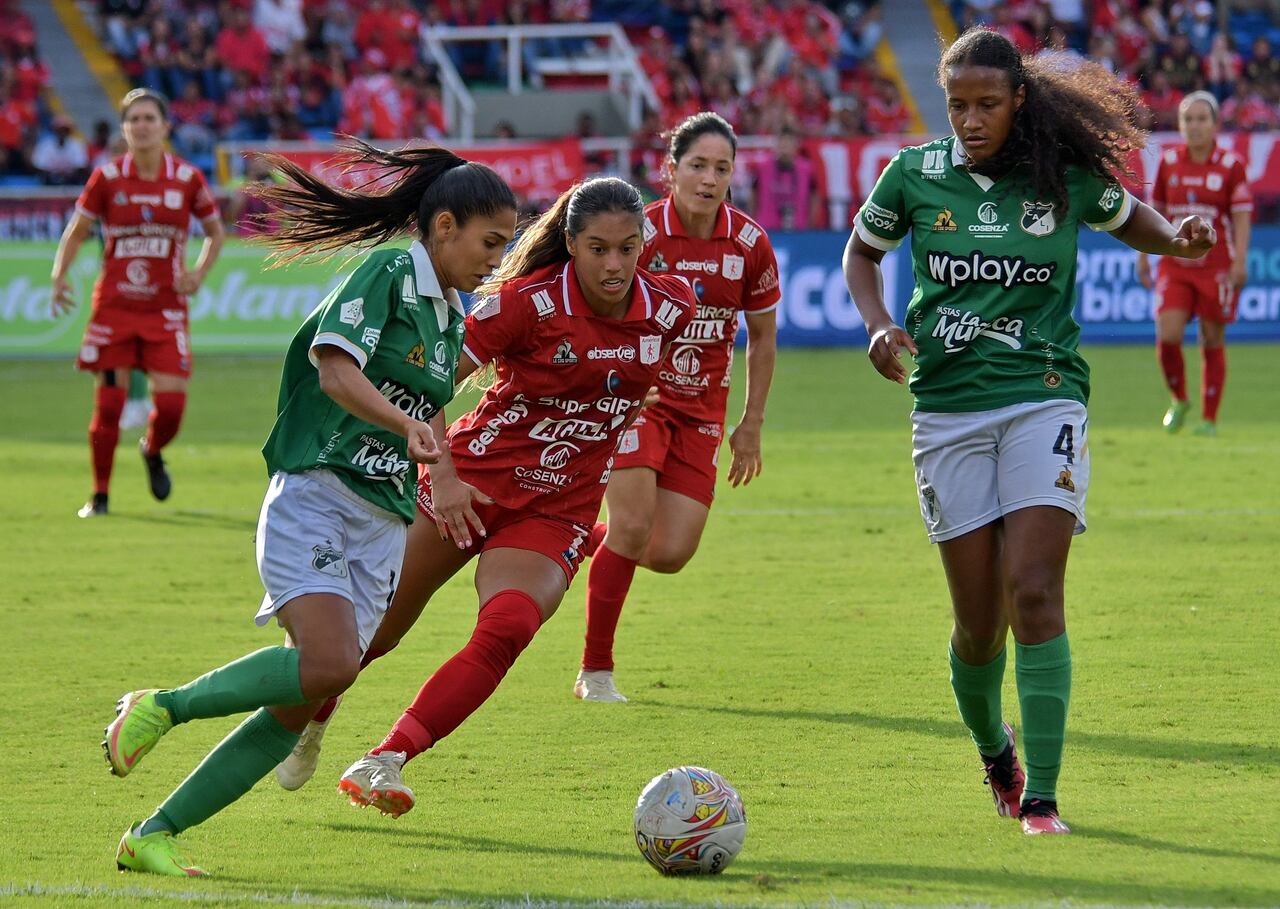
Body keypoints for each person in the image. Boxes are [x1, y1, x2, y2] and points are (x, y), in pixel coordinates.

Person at [99, 140, 519, 876]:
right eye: (491, 242)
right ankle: (160, 705)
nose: (496, 257)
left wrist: (443, 471)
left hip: (383, 518)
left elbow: (427, 413)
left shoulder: (453, 314)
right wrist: (405, 427)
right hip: (319, 492)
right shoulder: (391, 271)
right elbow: (334, 369)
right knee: (327, 661)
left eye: (507, 245)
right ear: (444, 225)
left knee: (319, 684)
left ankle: (153, 835)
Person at [843, 29, 1214, 836]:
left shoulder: (1063, 176)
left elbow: (1135, 220)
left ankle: (1042, 797)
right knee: (979, 626)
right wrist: (876, 326)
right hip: (945, 409)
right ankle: (993, 747)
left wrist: (1177, 234)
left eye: (986, 104)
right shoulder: (913, 174)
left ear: (1019, 100)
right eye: (957, 106)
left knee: (1036, 593)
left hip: (1044, 398)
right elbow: (861, 255)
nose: (970, 120)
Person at [273, 177, 695, 809]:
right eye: (599, 249)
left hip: (558, 508)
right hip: (468, 484)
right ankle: (306, 717)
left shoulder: (671, 308)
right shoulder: (524, 303)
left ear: (644, 245)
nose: (615, 264)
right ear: (571, 244)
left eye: (628, 248)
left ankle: (385, 760)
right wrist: (441, 477)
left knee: (509, 627)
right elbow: (429, 380)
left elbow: (652, 376)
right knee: (371, 634)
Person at [574, 112, 781, 703]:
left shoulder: (748, 244)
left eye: (721, 168)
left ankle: (568, 535)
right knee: (635, 524)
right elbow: (595, 306)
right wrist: (612, 384)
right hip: (638, 403)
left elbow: (763, 337)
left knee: (667, 553)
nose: (709, 179)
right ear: (671, 170)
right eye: (697, 165)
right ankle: (596, 670)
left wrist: (752, 421)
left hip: (702, 412)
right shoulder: (642, 235)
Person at [51, 89, 225, 518]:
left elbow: (215, 233)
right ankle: (100, 495)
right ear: (125, 129)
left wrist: (198, 274)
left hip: (165, 311)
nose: (142, 126)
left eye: (150, 118)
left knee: (170, 409)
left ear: (165, 127)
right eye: (134, 119)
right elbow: (76, 231)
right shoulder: (107, 178)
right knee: (109, 405)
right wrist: (59, 275)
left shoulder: (186, 179)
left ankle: (151, 449)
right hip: (115, 308)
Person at [1137, 91, 1253, 436]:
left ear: (1215, 124)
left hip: (1216, 265)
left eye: (1202, 119)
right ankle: (1179, 398)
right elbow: (1152, 212)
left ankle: (1209, 419)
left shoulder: (1231, 166)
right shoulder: (1170, 163)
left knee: (1211, 338)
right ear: (1181, 125)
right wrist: (1144, 256)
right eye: (1188, 119)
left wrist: (1240, 261)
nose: (1195, 125)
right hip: (1175, 262)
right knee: (1168, 334)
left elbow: (1242, 217)